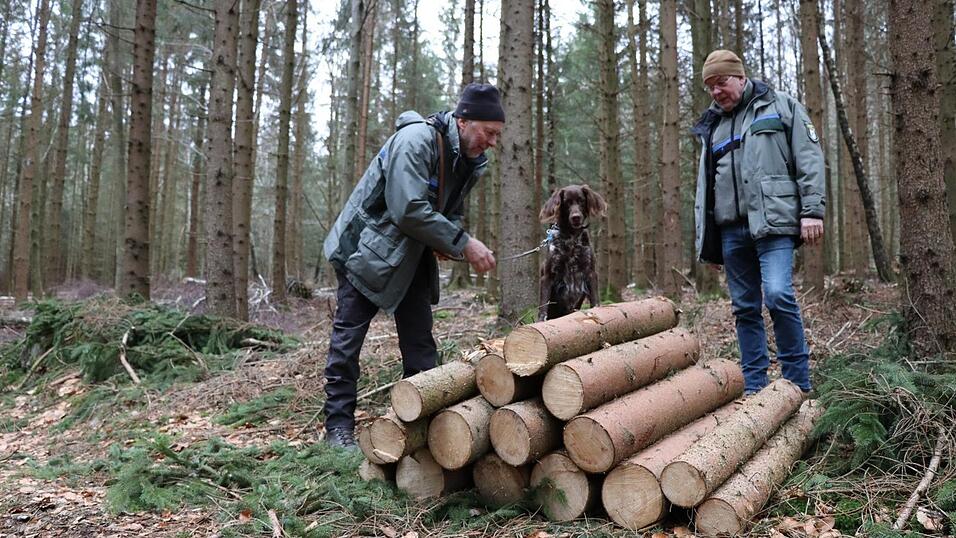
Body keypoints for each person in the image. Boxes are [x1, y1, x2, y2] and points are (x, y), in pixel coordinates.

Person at [320, 83, 502, 448]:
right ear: (463, 121)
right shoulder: (416, 140)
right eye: (489, 132)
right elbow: (408, 208)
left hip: (410, 255)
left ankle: (423, 427)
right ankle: (338, 429)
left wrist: (448, 240)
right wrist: (463, 243)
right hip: (364, 253)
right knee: (348, 342)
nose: (493, 142)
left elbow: (448, 211)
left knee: (420, 343)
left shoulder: (464, 159)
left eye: (497, 135)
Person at [691, 50, 825, 395]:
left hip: (775, 222)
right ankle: (755, 386)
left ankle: (797, 383)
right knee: (744, 308)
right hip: (731, 231)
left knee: (778, 294)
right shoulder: (713, 125)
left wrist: (812, 210)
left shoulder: (779, 106)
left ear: (739, 76)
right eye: (710, 87)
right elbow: (706, 187)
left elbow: (809, 157)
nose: (716, 91)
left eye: (721, 82)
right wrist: (707, 243)